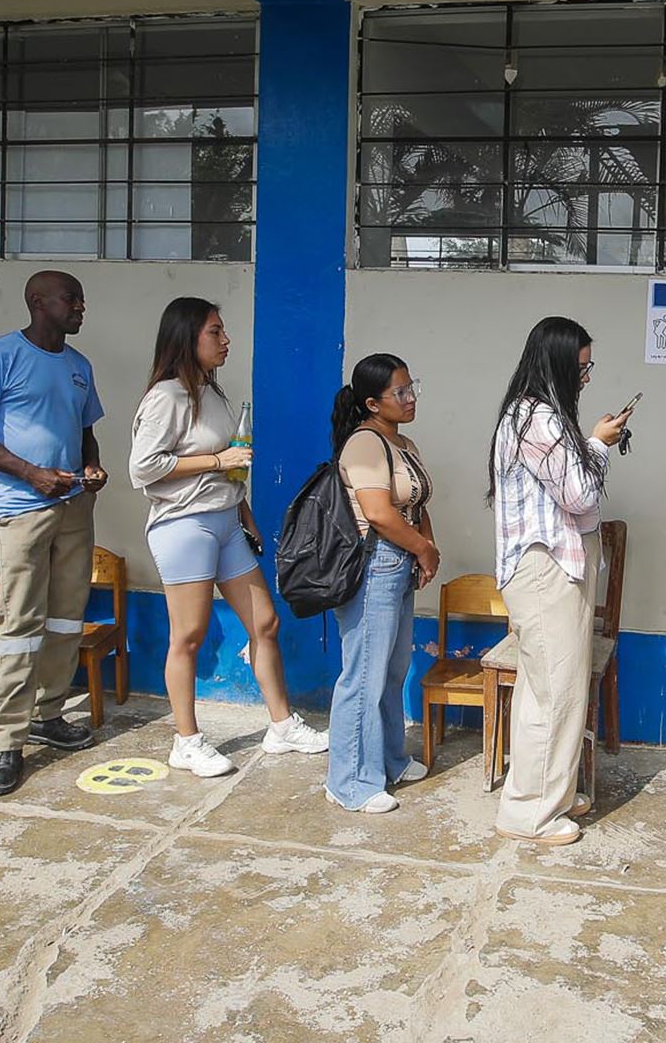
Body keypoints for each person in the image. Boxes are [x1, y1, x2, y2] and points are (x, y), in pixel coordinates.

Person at [131, 297, 328, 779]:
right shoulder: (166, 397)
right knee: (190, 635)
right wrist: (218, 463)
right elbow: (144, 468)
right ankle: (187, 741)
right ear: (187, 338)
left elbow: (232, 458)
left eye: (223, 331)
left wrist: (245, 513)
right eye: (215, 332)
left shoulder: (213, 393)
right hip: (185, 525)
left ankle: (281, 726)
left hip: (225, 520)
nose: (226, 341)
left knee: (265, 622)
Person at [0, 271, 106, 797]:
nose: (81, 306)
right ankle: (6, 740)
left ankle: (48, 714)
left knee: (66, 617)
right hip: (21, 507)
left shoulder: (78, 366)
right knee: (20, 621)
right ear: (37, 302)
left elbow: (85, 432)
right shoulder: (0, 357)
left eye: (81, 297)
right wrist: (30, 472)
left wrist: (92, 469)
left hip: (73, 508)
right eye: (72, 297)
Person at [489, 318, 630, 845]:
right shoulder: (536, 419)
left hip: (554, 568)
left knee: (546, 689)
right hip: (547, 570)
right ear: (559, 365)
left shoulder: (536, 415)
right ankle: (531, 814)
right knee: (554, 694)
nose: (587, 376)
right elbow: (580, 496)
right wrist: (598, 443)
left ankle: (551, 793)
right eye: (583, 367)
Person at [323, 353, 439, 814]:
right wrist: (423, 549)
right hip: (375, 565)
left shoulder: (403, 442)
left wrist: (426, 544)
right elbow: (378, 513)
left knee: (392, 672)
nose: (410, 398)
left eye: (412, 388)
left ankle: (390, 758)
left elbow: (417, 502)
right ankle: (348, 780)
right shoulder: (365, 445)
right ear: (372, 403)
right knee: (363, 676)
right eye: (400, 392)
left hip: (402, 562)